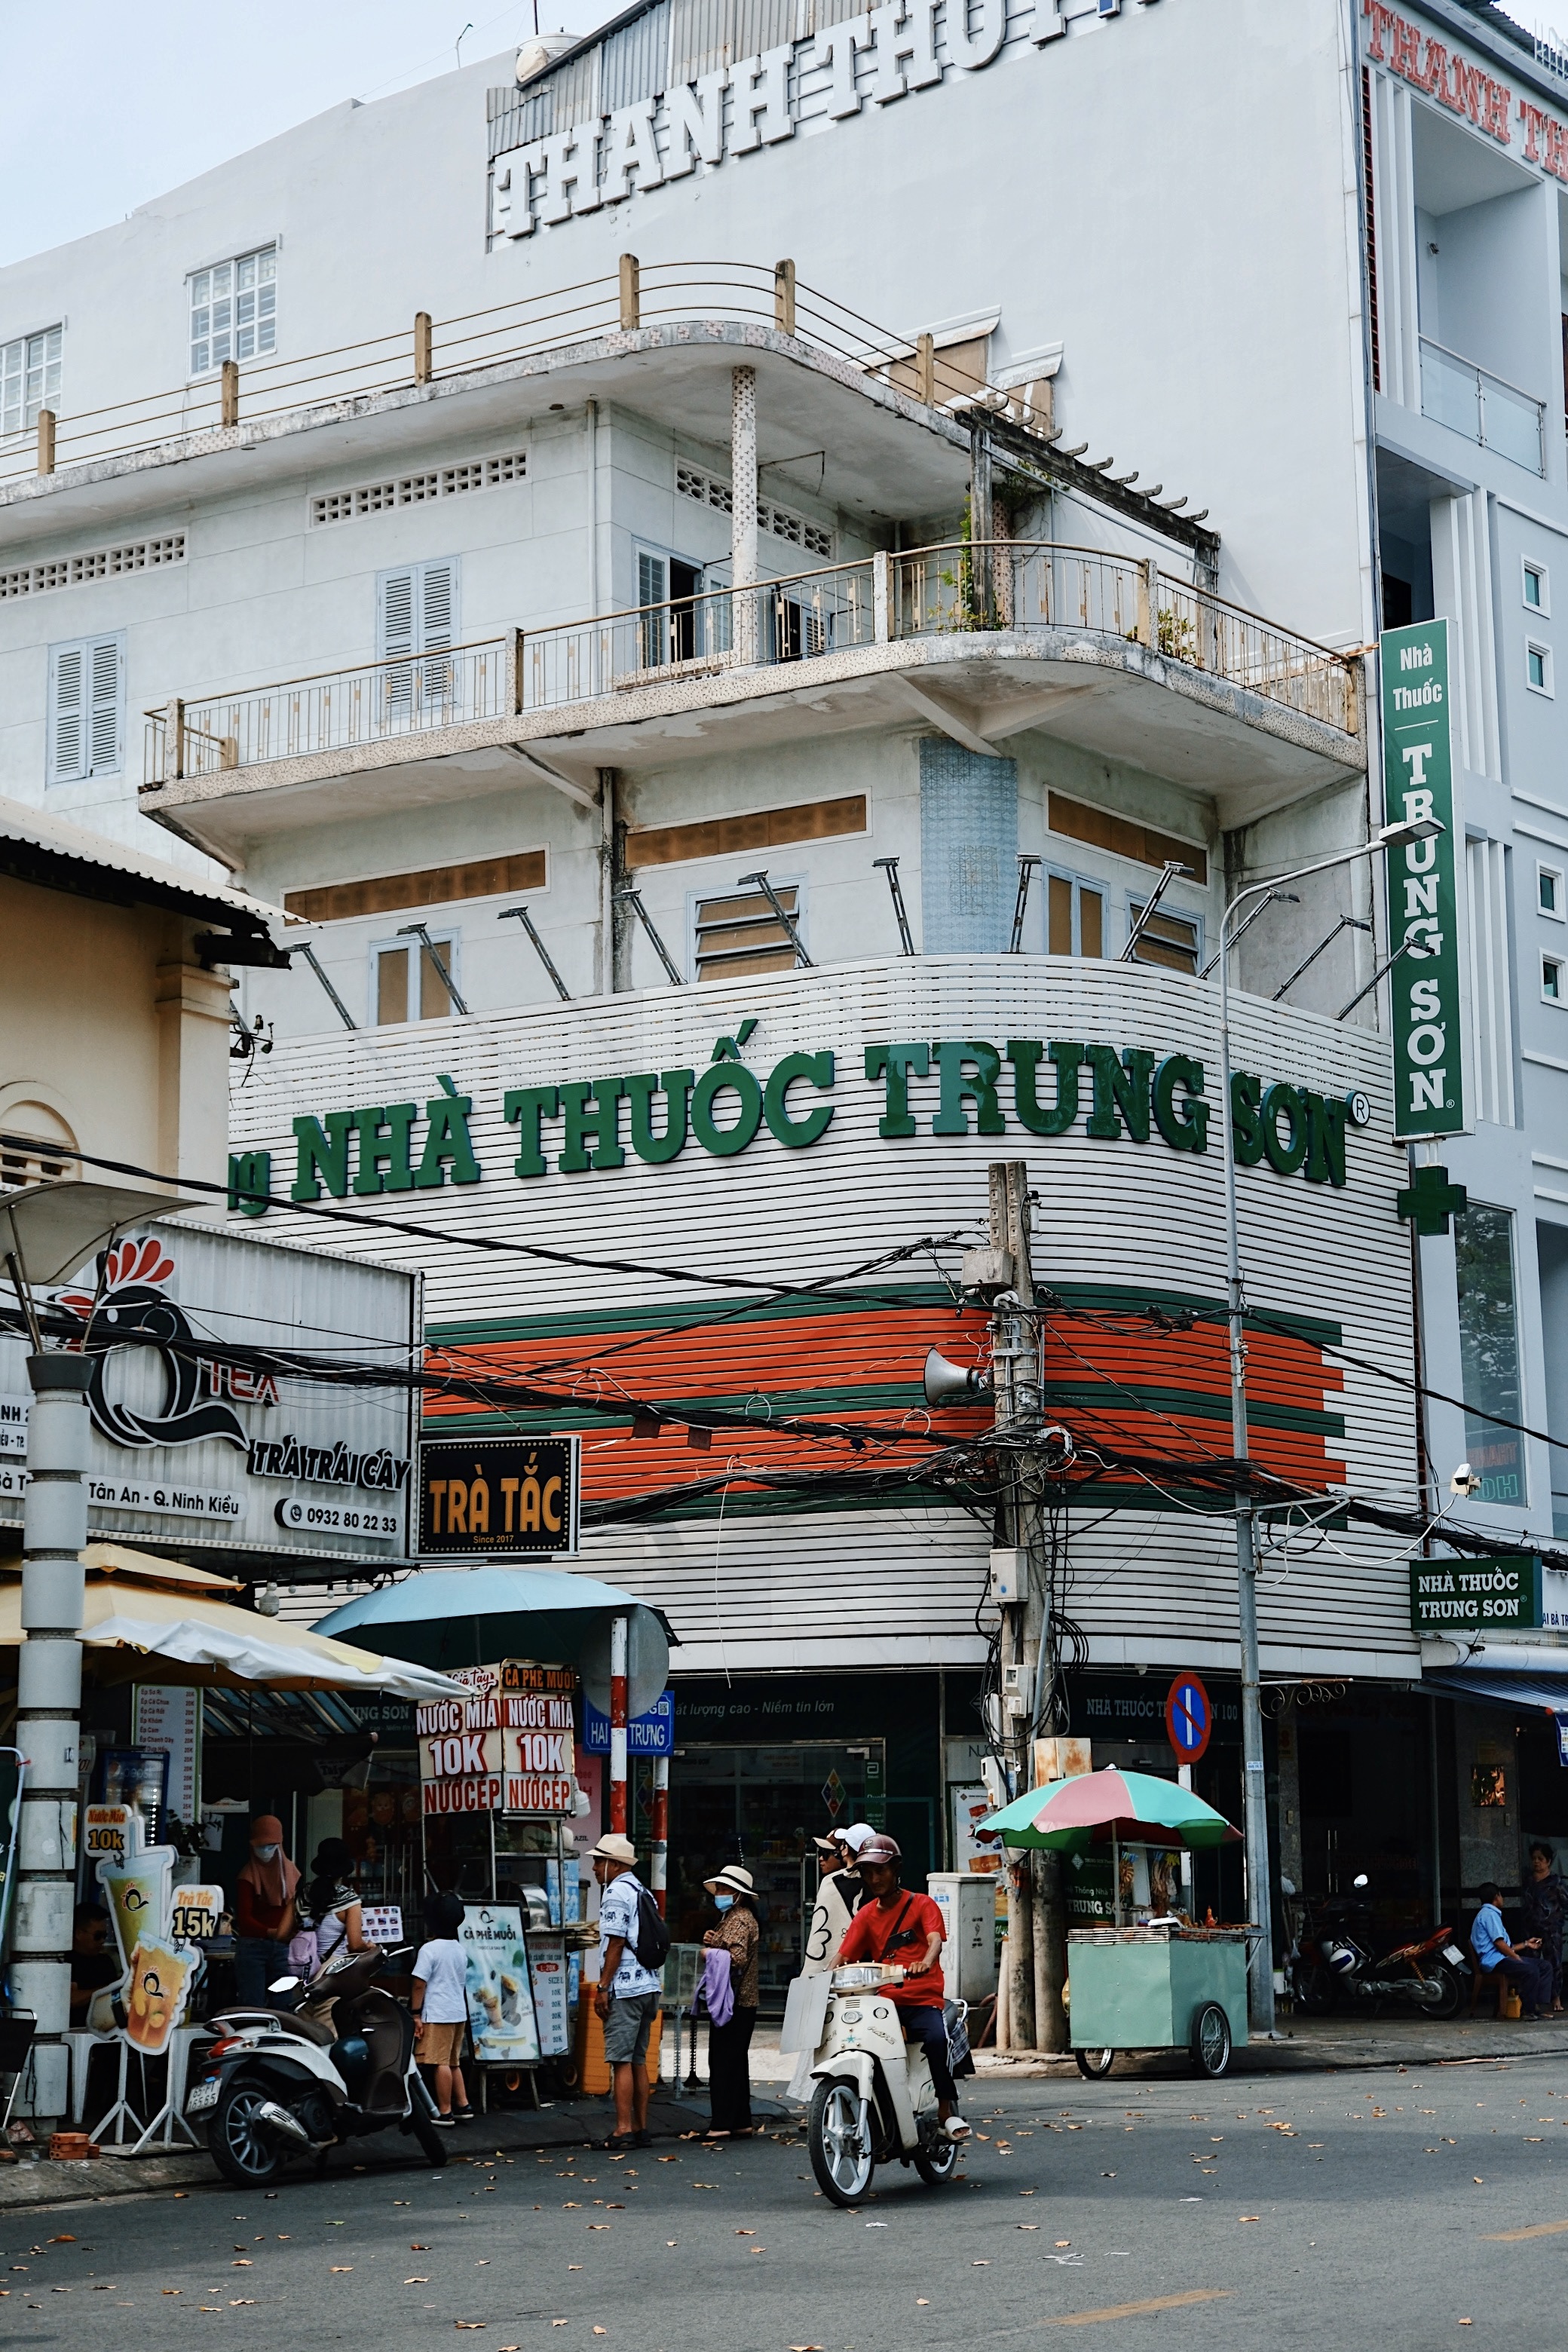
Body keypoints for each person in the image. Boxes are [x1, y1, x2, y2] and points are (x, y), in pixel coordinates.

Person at [834, 1833, 969, 2139]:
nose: (874, 1878)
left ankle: (947, 2109)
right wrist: (822, 1980)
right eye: (868, 1873)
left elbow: (935, 1940)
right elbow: (842, 1955)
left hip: (922, 2000)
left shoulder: (922, 1904)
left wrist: (924, 1962)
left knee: (936, 2039)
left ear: (896, 1870)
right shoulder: (866, 1915)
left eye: (880, 1871)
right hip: (883, 2002)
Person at [590, 1832, 661, 2153]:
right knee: (637, 2059)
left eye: (598, 1861)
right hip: (648, 1984)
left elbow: (615, 1943)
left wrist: (603, 1987)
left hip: (626, 1986)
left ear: (614, 1864)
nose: (593, 1867)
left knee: (620, 2060)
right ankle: (641, 2128)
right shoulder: (643, 1890)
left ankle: (622, 2129)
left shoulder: (616, 1892)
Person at [701, 1865, 761, 2140]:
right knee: (736, 2062)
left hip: (734, 2001)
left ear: (738, 1894)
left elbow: (735, 1958)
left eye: (725, 1889)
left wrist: (709, 1952)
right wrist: (715, 1941)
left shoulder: (738, 1919)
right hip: (743, 2001)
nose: (720, 1893)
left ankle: (722, 2123)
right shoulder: (735, 1917)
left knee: (723, 2061)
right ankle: (740, 2121)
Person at [412, 1890, 473, 2124]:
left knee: (440, 2063)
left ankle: (445, 2110)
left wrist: (416, 2013)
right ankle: (463, 2103)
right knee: (453, 2061)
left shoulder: (429, 1950)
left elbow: (419, 1984)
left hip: (437, 2013)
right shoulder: (459, 1949)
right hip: (457, 2012)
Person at [234, 1815, 301, 2007]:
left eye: (271, 1845)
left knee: (283, 2004)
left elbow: (293, 1908)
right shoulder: (247, 1876)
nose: (265, 1850)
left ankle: (281, 2038)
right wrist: (274, 1933)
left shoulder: (290, 1873)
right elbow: (245, 1920)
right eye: (260, 1846)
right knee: (252, 2004)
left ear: (280, 1844)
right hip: (253, 1948)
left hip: (282, 1948)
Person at [1471, 1881, 1552, 2018]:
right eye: (1501, 1896)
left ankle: (1535, 2006)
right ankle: (1528, 2011)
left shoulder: (1490, 1914)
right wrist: (1517, 1958)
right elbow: (1499, 1944)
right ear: (1497, 1897)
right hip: (1495, 1961)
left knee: (1544, 1966)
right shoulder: (1489, 1915)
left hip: (1502, 1957)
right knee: (1531, 1970)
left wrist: (1527, 1944)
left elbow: (1508, 1947)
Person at [302, 1838, 367, 1974]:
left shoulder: (301, 1896)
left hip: (300, 1969)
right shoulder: (349, 1900)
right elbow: (355, 1945)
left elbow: (282, 1934)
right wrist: (370, 1947)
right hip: (332, 1973)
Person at [1521, 1843, 1567, 2014]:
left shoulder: (1556, 1882)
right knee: (1532, 1964)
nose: (1536, 1862)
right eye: (1534, 1859)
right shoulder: (1528, 1881)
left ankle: (1556, 1998)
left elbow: (1565, 1903)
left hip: (1551, 1930)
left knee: (1554, 1963)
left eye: (1540, 1859)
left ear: (1548, 1861)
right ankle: (1535, 2001)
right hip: (1531, 1930)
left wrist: (1558, 1921)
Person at [69, 1902, 120, 2023]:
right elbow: (72, 1999)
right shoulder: (67, 1961)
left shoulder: (106, 1962)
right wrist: (107, 1990)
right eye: (98, 1936)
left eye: (105, 1936)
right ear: (79, 1934)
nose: (102, 1941)